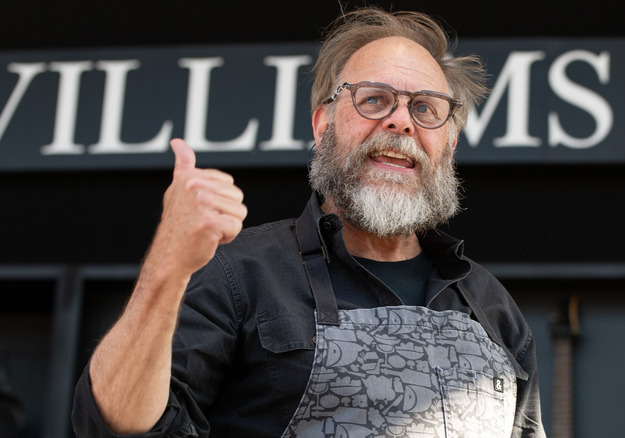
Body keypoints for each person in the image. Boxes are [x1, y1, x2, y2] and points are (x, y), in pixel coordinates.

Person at [72, 6, 546, 438]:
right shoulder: (239, 276)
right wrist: (166, 269)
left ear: (450, 143)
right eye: (375, 100)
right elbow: (112, 427)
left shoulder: (493, 310)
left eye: (424, 108)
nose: (402, 122)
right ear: (323, 126)